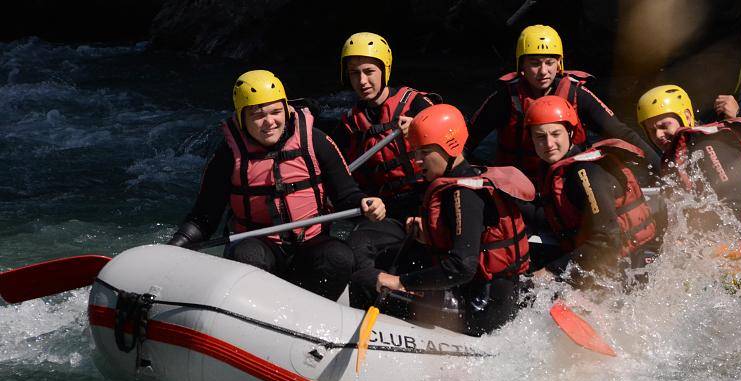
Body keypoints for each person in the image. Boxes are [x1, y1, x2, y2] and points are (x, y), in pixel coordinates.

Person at [167, 70, 386, 301]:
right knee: (247, 255)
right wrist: (176, 246)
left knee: (339, 257)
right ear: (241, 118)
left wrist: (365, 204)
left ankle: (311, 315)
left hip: (310, 245)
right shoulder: (228, 156)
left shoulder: (316, 141)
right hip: (260, 246)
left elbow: (346, 195)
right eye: (258, 115)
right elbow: (204, 218)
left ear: (287, 109)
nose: (270, 122)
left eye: (276, 112)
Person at [365, 104, 535, 336]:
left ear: (450, 147)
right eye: (415, 151)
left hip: (483, 311)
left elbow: (462, 268)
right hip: (486, 294)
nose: (416, 160)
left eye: (424, 152)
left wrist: (400, 282)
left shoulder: (463, 194)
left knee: (366, 283)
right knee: (384, 258)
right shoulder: (466, 178)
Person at [466, 24, 659, 181]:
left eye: (549, 62)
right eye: (535, 63)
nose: (543, 72)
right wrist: (472, 174)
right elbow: (466, 142)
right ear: (521, 65)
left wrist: (662, 168)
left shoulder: (578, 95)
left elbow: (622, 134)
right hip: (522, 186)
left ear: (559, 63)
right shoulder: (504, 99)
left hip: (571, 181)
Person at [334, 32, 440, 308]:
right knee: (359, 239)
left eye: (369, 71)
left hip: (431, 201)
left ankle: (420, 299)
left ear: (384, 70)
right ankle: (377, 294)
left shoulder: (416, 105)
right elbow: (339, 178)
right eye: (354, 73)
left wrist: (422, 128)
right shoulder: (349, 124)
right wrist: (363, 201)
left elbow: (457, 141)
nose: (362, 81)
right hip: (389, 210)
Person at [524, 95, 658, 285]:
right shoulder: (555, 171)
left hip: (628, 263)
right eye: (540, 136)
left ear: (570, 133)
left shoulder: (586, 171)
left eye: (555, 134)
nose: (549, 144)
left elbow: (606, 240)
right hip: (593, 256)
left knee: (536, 283)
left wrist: (551, 271)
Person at [637, 84, 741, 231]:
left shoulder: (707, 145)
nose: (658, 135)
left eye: (664, 126)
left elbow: (739, 202)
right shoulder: (681, 155)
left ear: (687, 116)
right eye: (652, 130)